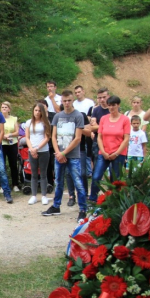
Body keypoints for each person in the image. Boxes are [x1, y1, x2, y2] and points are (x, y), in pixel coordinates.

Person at [42, 90, 87, 222]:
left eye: (69, 100)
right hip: (59, 155)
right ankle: (56, 206)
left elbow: (77, 138)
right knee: (59, 182)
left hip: (72, 155)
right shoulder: (57, 116)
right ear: (61, 101)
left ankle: (83, 209)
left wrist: (63, 153)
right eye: (64, 101)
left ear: (72, 100)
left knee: (78, 182)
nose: (67, 103)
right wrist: (57, 152)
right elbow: (53, 136)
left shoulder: (78, 116)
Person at [89, 96, 130, 203]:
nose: (111, 107)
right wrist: (103, 151)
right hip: (104, 152)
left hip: (118, 153)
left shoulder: (125, 120)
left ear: (118, 105)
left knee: (115, 179)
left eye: (114, 105)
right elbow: (99, 136)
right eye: (110, 105)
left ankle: (113, 201)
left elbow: (126, 139)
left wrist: (116, 153)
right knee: (96, 176)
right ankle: (92, 199)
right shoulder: (104, 119)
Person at [25, 103, 51, 205]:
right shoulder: (29, 123)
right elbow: (27, 137)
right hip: (32, 150)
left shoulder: (45, 122)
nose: (37, 112)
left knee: (43, 173)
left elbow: (47, 137)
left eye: (39, 111)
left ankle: (44, 195)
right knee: (34, 174)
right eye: (35, 110)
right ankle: (34, 195)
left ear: (42, 112)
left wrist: (37, 148)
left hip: (43, 150)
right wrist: (31, 149)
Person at [74, 85, 95, 177]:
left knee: (88, 150)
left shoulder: (89, 102)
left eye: (79, 92)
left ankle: (89, 170)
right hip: (76, 126)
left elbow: (91, 116)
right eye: (76, 93)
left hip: (87, 125)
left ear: (83, 91)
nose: (77, 94)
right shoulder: (74, 103)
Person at [0, 101, 20, 192]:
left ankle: (15, 184)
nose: (4, 109)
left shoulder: (14, 119)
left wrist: (10, 135)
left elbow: (17, 132)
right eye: (2, 107)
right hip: (2, 144)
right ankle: (3, 185)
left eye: (6, 107)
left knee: (13, 164)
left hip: (12, 144)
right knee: (2, 165)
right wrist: (3, 136)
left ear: (9, 109)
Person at [89, 88, 110, 164]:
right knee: (97, 164)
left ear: (108, 96)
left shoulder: (113, 109)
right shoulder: (96, 110)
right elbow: (92, 128)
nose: (102, 100)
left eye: (104, 97)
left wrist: (99, 126)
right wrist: (107, 126)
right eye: (100, 98)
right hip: (98, 141)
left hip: (111, 141)